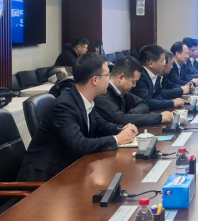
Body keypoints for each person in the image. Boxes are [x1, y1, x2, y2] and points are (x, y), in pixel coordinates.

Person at [16, 53, 137, 182]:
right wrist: (117, 139)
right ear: (95, 80)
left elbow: (101, 125)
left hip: (70, 169)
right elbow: (79, 145)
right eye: (107, 75)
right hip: (45, 177)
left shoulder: (84, 99)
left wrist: (123, 129)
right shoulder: (64, 106)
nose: (109, 80)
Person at [94, 56, 174, 127]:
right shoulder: (101, 95)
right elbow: (120, 120)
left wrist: (129, 116)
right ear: (121, 77)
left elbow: (143, 104)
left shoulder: (123, 92)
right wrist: (158, 118)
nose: (134, 86)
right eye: (133, 82)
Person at [131, 45, 185, 111]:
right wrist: (172, 103)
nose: (164, 64)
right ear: (151, 63)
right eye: (162, 61)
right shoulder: (140, 76)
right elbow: (145, 103)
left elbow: (162, 94)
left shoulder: (155, 74)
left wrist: (153, 101)